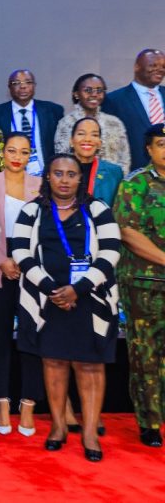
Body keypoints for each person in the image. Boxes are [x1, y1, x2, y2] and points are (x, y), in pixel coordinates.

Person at [11, 154, 120, 462]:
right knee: (54, 363)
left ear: (79, 179)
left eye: (71, 174)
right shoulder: (32, 210)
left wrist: (78, 289)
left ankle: (88, 434)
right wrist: (52, 289)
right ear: (48, 177)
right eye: (57, 173)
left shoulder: (98, 209)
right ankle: (58, 427)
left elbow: (111, 252)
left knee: (90, 366)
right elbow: (20, 252)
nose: (64, 179)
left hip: (90, 298)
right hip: (48, 299)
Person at [0, 132, 43, 437]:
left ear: (30, 155)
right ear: (2, 153)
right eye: (11, 150)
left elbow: (46, 232)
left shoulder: (41, 186)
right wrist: (0, 261)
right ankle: (2, 402)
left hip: (33, 273)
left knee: (32, 339)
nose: (17, 156)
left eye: (23, 151)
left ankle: (29, 402)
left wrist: (28, 264)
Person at [113, 123, 165, 448]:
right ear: (149, 149)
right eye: (161, 144)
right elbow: (128, 233)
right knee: (146, 354)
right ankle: (150, 423)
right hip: (145, 284)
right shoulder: (136, 184)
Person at [0, 69, 64, 176]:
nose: (23, 86)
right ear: (9, 87)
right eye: (16, 83)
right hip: (10, 177)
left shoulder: (53, 111)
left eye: (28, 82)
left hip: (46, 177)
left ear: (34, 86)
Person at [54, 74, 130, 173]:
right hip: (78, 183)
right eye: (88, 90)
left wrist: (118, 181)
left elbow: (124, 159)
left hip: (111, 183)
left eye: (99, 91)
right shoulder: (66, 123)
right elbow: (62, 159)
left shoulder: (114, 123)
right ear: (76, 94)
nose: (94, 94)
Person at [103, 49, 165, 171]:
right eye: (153, 65)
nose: (160, 69)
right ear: (137, 67)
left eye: (163, 66)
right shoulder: (114, 100)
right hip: (134, 179)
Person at [69, 117, 124, 206]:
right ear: (71, 141)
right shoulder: (58, 170)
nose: (87, 139)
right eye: (81, 134)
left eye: (94, 135)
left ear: (99, 143)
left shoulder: (114, 173)